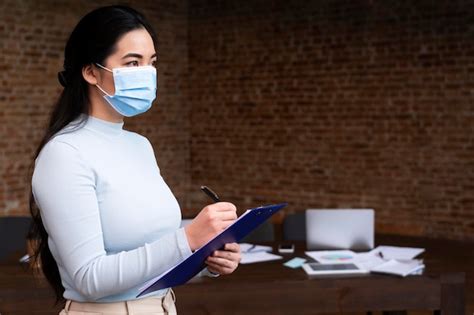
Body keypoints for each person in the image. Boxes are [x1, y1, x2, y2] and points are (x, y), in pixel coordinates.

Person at [29, 5, 241, 314]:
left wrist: (207, 256)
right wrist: (188, 239)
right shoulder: (65, 154)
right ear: (90, 71)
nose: (146, 73)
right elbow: (89, 278)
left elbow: (153, 260)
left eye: (151, 62)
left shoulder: (140, 146)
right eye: (132, 62)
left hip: (163, 306)